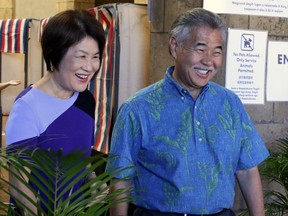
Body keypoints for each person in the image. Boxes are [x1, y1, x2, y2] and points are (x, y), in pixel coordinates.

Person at [106, 8, 269, 216]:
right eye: (200, 49)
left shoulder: (230, 104)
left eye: (217, 51)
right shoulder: (137, 108)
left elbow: (247, 170)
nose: (209, 61)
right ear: (174, 46)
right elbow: (121, 179)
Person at [5, 9, 106, 214]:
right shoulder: (28, 106)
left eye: (95, 57)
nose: (89, 66)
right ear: (55, 53)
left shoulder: (86, 99)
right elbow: (18, 184)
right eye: (81, 56)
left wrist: (95, 182)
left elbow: (77, 157)